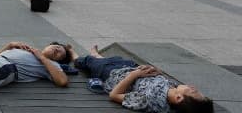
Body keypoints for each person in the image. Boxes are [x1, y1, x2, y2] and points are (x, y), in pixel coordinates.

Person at [71, 45, 213, 113]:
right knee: (111, 59)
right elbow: (158, 79)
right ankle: (96, 55)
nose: (194, 87)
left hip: (111, 74)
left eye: (193, 91)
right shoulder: (173, 89)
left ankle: (73, 55)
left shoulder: (148, 101)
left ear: (179, 98)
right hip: (130, 67)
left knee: (87, 62)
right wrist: (155, 71)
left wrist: (134, 75)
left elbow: (114, 95)